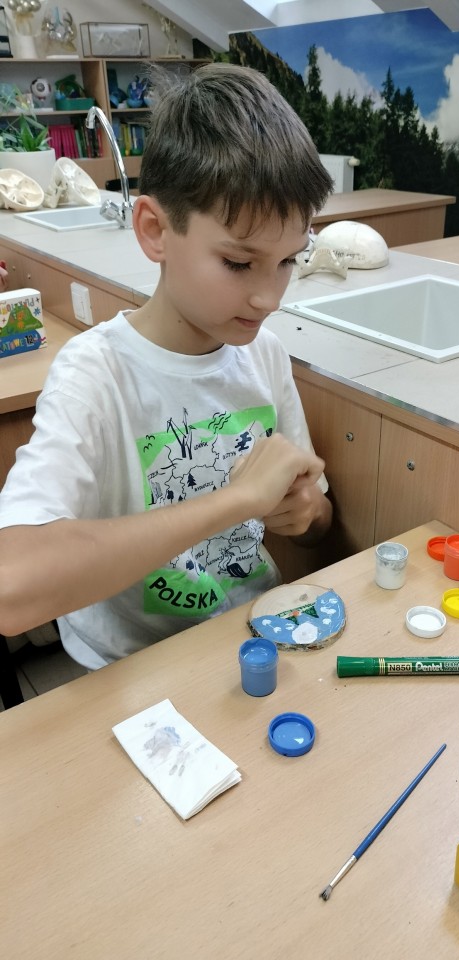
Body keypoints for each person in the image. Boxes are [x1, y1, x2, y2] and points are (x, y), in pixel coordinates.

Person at [0, 64, 334, 670]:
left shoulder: (264, 353)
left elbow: (316, 521)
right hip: (131, 667)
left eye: (289, 260)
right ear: (155, 230)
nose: (269, 298)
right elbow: (10, 585)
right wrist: (236, 501)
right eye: (239, 263)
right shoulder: (95, 374)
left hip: (249, 637)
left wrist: (306, 511)